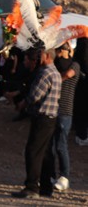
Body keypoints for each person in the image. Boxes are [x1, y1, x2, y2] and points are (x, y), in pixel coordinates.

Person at [12, 47, 62, 199]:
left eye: (41, 55)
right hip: (51, 117)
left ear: (47, 56)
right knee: (45, 153)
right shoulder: (55, 72)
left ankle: (32, 187)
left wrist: (23, 103)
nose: (39, 57)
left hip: (42, 117)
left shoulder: (45, 72)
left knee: (33, 151)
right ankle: (46, 187)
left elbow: (35, 95)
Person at [52, 43, 80, 191]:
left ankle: (64, 176)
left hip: (65, 111)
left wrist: (54, 80)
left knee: (61, 145)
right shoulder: (56, 64)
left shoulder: (75, 65)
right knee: (51, 145)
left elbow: (69, 74)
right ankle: (51, 174)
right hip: (53, 109)